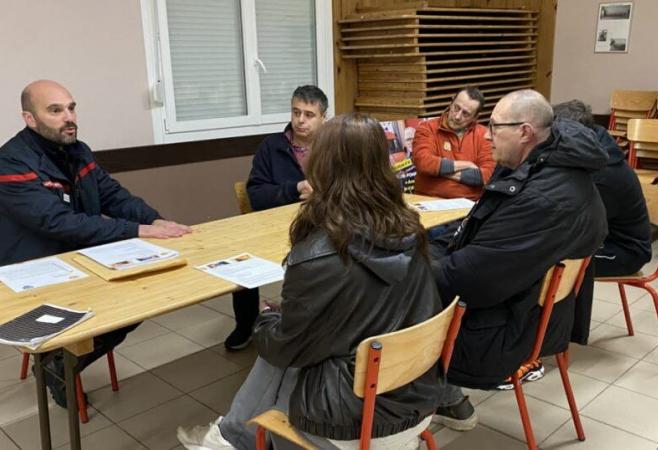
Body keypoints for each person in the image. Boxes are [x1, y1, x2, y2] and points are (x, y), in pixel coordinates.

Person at [178, 114, 445, 450]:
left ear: (322, 166)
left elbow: (286, 347)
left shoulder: (320, 253)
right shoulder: (409, 229)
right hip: (417, 402)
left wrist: (266, 320)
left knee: (282, 349)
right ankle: (226, 438)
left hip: (356, 426)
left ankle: (226, 439)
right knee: (299, 339)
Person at [0, 80, 191, 407]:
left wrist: (155, 220)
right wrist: (137, 230)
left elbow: (113, 195)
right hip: (32, 270)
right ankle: (57, 364)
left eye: (71, 107)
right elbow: (57, 222)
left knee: (142, 298)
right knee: (108, 311)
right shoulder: (11, 162)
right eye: (55, 110)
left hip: (79, 259)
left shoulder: (78, 151)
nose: (68, 117)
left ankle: (59, 363)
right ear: (29, 119)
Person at [429, 90, 608, 427]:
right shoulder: (545, 167)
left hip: (496, 331)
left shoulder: (545, 199)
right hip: (524, 313)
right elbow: (483, 230)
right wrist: (427, 246)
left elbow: (468, 280)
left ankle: (414, 407)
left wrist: (407, 263)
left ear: (525, 132)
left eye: (495, 127)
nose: (485, 134)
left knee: (384, 292)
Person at [225, 85, 327, 351]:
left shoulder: (332, 146)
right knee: (242, 256)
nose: (301, 120)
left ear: (323, 118)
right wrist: (294, 189)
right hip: (275, 225)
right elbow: (256, 194)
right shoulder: (272, 146)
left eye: (309, 114)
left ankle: (316, 319)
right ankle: (245, 324)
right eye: (296, 112)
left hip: (321, 223)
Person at [553, 99, 651, 344]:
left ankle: (560, 337)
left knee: (559, 261)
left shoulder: (605, 174)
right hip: (605, 238)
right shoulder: (594, 148)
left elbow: (582, 227)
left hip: (625, 251)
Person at [412, 85, 496, 200]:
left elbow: (487, 175)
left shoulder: (484, 135)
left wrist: (438, 170)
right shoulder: (427, 128)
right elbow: (423, 162)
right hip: (428, 200)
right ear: (451, 102)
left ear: (475, 117)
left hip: (469, 205)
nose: (457, 116)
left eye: (465, 114)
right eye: (456, 108)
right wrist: (466, 165)